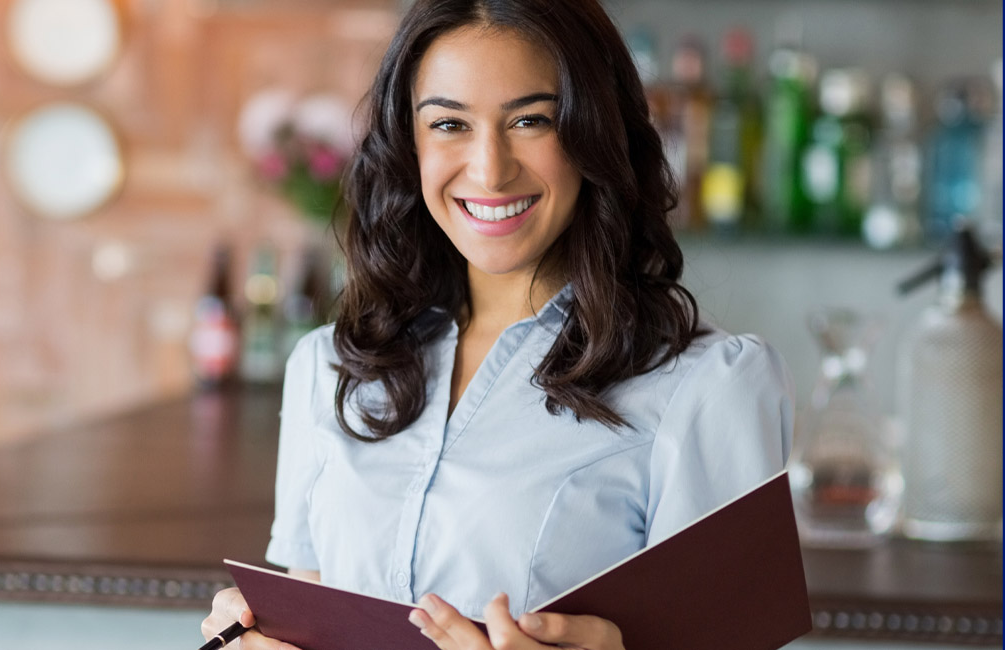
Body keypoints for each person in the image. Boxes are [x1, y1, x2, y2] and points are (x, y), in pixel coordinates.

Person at [202, 0, 794, 648]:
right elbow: (310, 618)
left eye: (531, 120)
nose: (489, 168)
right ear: (410, 144)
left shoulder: (707, 386)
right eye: (450, 124)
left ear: (596, 132)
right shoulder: (331, 368)